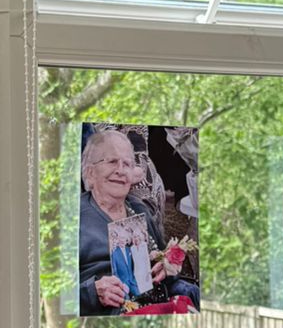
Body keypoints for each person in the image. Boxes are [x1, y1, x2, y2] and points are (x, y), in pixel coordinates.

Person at [78, 126, 198, 315]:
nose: (120, 170)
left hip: (155, 304)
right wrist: (91, 292)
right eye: (112, 161)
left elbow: (163, 273)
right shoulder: (75, 218)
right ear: (90, 172)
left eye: (127, 164)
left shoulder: (139, 209)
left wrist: (167, 268)